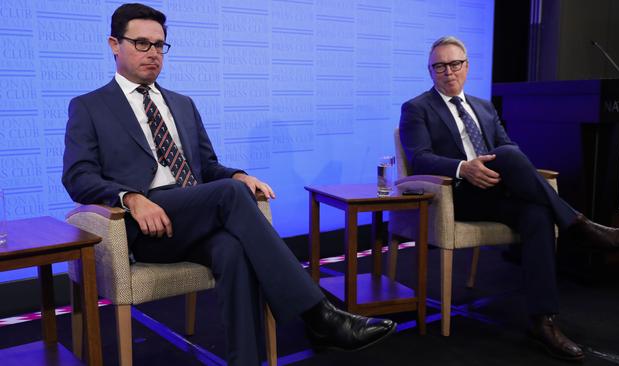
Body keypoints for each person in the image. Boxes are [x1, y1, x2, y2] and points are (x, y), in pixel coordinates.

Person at [62, 3, 395, 365]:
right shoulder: (89, 107)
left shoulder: (182, 104)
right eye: (142, 43)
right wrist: (130, 198)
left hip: (197, 213)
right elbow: (77, 176)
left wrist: (237, 175)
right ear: (114, 44)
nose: (153, 53)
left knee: (231, 248)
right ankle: (320, 316)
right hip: (146, 226)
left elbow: (206, 166)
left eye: (160, 45)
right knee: (230, 195)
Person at [399, 36, 619, 361]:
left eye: (455, 63)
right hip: (456, 194)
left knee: (536, 213)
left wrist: (502, 167)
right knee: (509, 156)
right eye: (439, 66)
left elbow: (508, 147)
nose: (448, 71)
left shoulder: (484, 107)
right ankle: (580, 225)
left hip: (498, 188)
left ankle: (543, 322)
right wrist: (464, 168)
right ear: (430, 72)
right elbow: (419, 158)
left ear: (467, 66)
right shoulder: (417, 108)